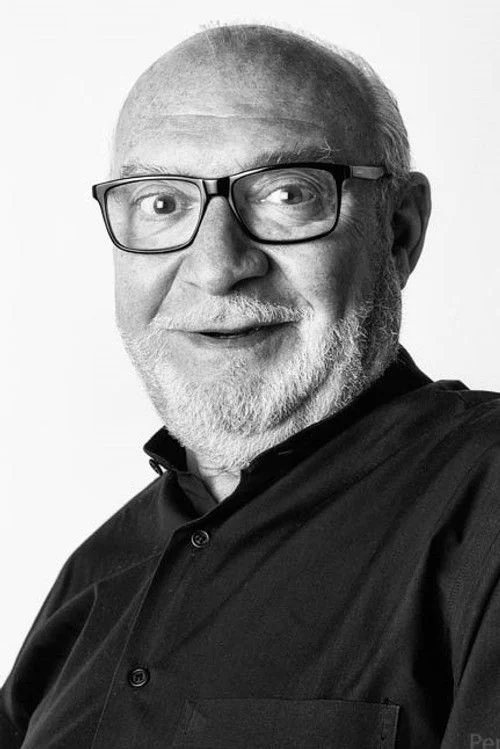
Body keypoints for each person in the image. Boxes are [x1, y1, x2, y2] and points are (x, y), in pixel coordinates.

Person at [1, 23, 499, 749]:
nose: (217, 267)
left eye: (286, 194)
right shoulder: (91, 581)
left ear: (398, 231)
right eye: (162, 204)